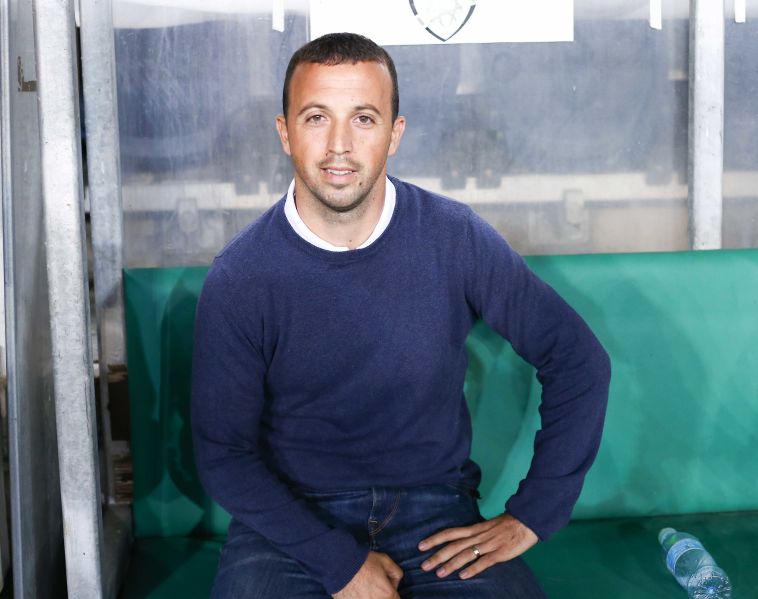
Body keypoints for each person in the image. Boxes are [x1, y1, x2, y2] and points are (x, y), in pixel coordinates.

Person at [192, 32, 611, 599]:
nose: (339, 145)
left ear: (395, 133)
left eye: (363, 119)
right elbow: (224, 454)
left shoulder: (455, 238)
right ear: (285, 132)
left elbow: (578, 360)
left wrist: (535, 512)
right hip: (289, 522)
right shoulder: (241, 276)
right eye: (317, 118)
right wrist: (338, 563)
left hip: (434, 512)